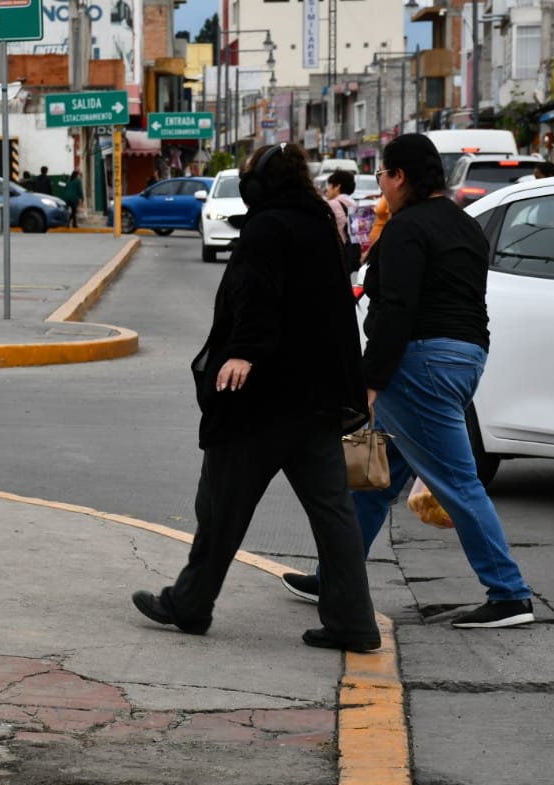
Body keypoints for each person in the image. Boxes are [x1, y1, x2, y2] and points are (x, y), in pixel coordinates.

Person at [131, 142, 381, 653]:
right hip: (317, 401)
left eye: (250, 175)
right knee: (334, 513)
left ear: (266, 181)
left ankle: (190, 604)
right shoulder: (318, 223)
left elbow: (257, 293)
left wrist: (243, 351)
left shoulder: (270, 226)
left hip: (264, 398)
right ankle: (354, 621)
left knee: (222, 506)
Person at [280, 134, 535, 629]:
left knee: (458, 482)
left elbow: (396, 309)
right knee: (374, 483)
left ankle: (509, 593)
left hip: (418, 363)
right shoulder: (466, 224)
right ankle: (332, 575)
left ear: (399, 177)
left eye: (382, 177)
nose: (381, 189)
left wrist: (371, 380)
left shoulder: (406, 229)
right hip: (464, 358)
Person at [324, 170, 357, 246]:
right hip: (351, 248)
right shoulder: (353, 203)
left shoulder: (332, 204)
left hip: (338, 247)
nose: (327, 189)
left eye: (329, 185)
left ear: (337, 187)